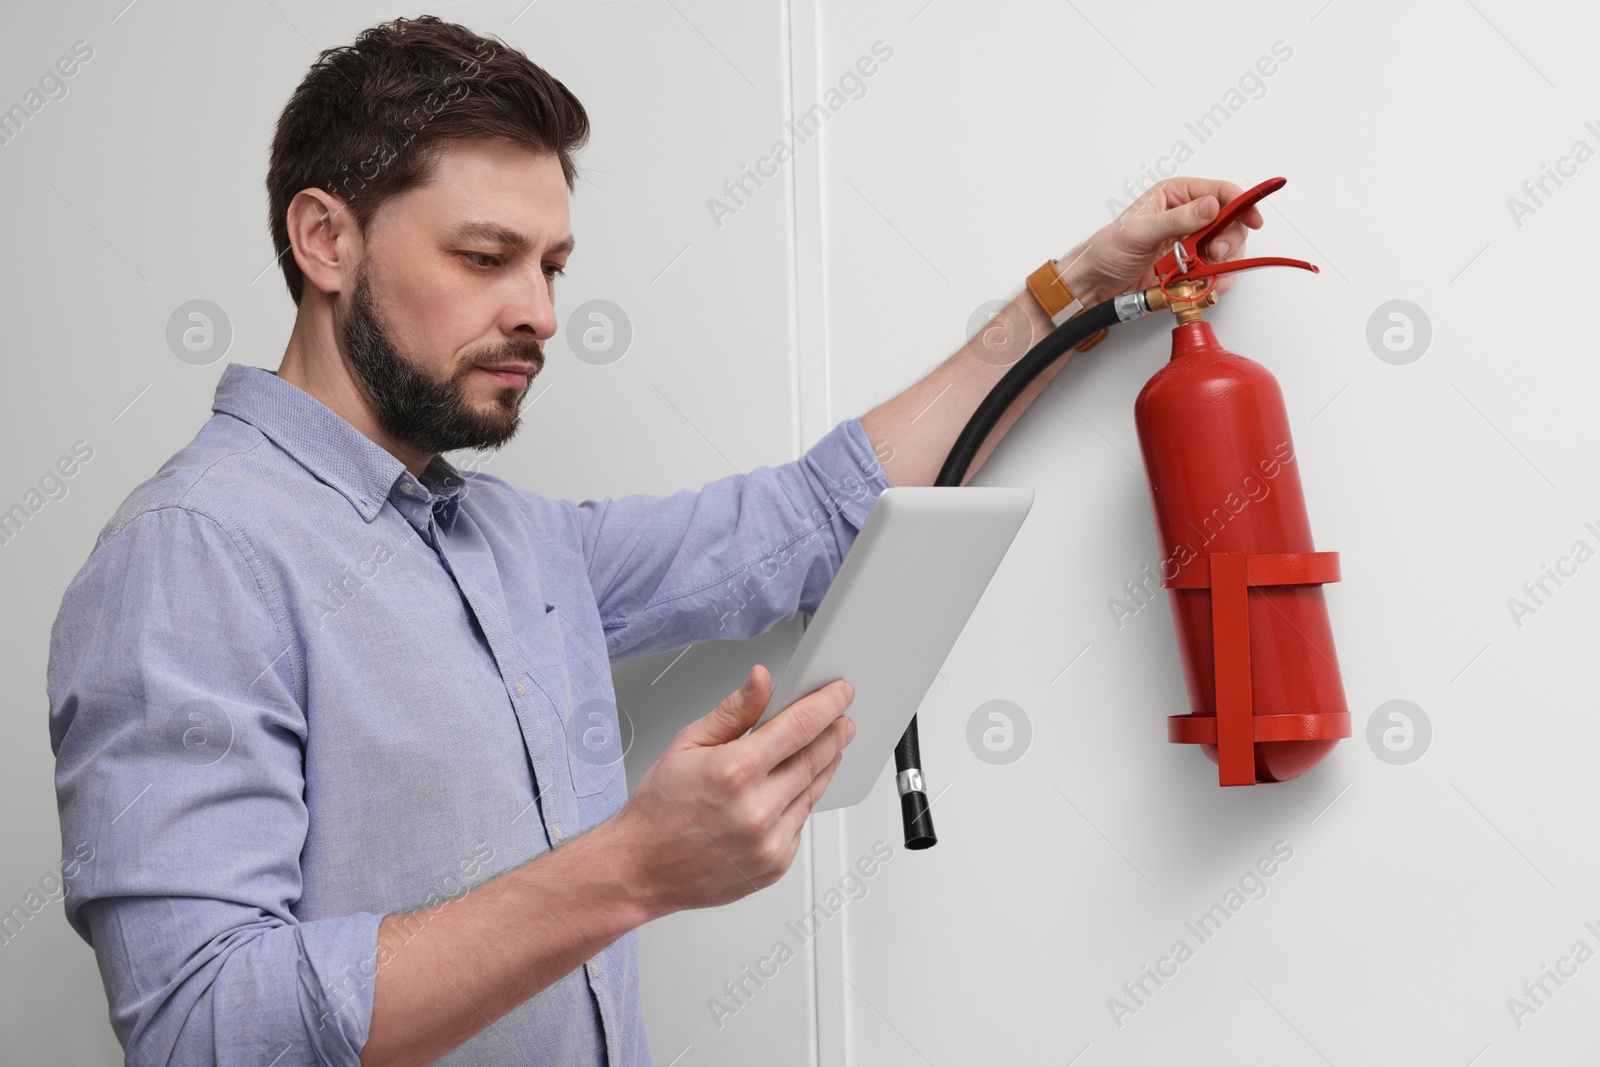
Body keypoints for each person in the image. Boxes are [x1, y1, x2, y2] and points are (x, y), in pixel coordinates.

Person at [45, 15, 1262, 1067]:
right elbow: (200, 1024)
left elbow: (811, 520)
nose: (540, 311)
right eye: (485, 257)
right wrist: (631, 865)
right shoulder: (191, 555)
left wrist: (1070, 295)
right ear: (326, 242)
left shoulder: (518, 544)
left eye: (554, 264)